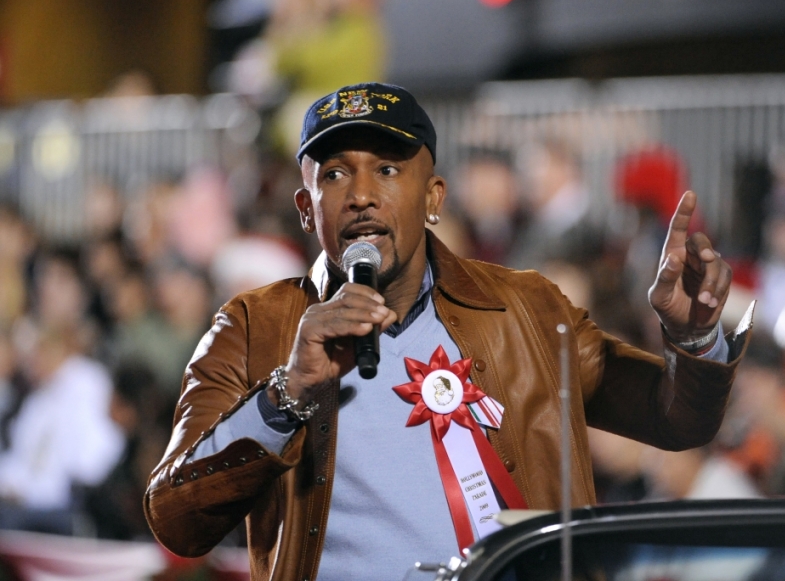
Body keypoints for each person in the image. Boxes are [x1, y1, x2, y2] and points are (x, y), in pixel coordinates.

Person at [145, 82, 752, 581]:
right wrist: (286, 392)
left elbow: (678, 420)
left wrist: (694, 338)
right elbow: (176, 519)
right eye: (333, 174)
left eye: (387, 169)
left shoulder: (528, 310)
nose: (360, 196)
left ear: (432, 196)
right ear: (307, 209)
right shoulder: (255, 328)